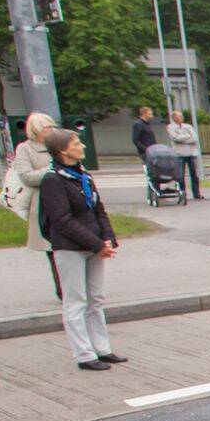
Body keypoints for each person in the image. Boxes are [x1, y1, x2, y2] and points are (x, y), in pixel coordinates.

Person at [35, 128, 125, 370]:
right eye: (76, 143)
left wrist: (108, 239)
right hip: (70, 248)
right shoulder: (53, 180)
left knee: (96, 298)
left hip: (95, 245)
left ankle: (102, 349)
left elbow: (98, 210)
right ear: (62, 150)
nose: (82, 146)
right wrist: (97, 244)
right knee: (76, 300)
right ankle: (84, 354)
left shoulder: (82, 175)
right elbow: (62, 220)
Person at [4, 111, 61, 295]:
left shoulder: (58, 144)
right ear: (36, 130)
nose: (52, 130)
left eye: (53, 126)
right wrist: (53, 171)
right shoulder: (25, 149)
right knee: (53, 248)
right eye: (48, 127)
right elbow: (27, 176)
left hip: (67, 200)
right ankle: (62, 290)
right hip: (45, 204)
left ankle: (78, 287)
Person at [167, 110, 204, 199]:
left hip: (191, 153)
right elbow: (175, 138)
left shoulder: (188, 126)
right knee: (180, 175)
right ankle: (182, 192)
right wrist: (187, 136)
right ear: (174, 118)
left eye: (182, 116)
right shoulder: (171, 127)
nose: (182, 117)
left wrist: (183, 139)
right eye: (179, 116)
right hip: (179, 154)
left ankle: (196, 193)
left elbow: (194, 138)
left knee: (194, 174)